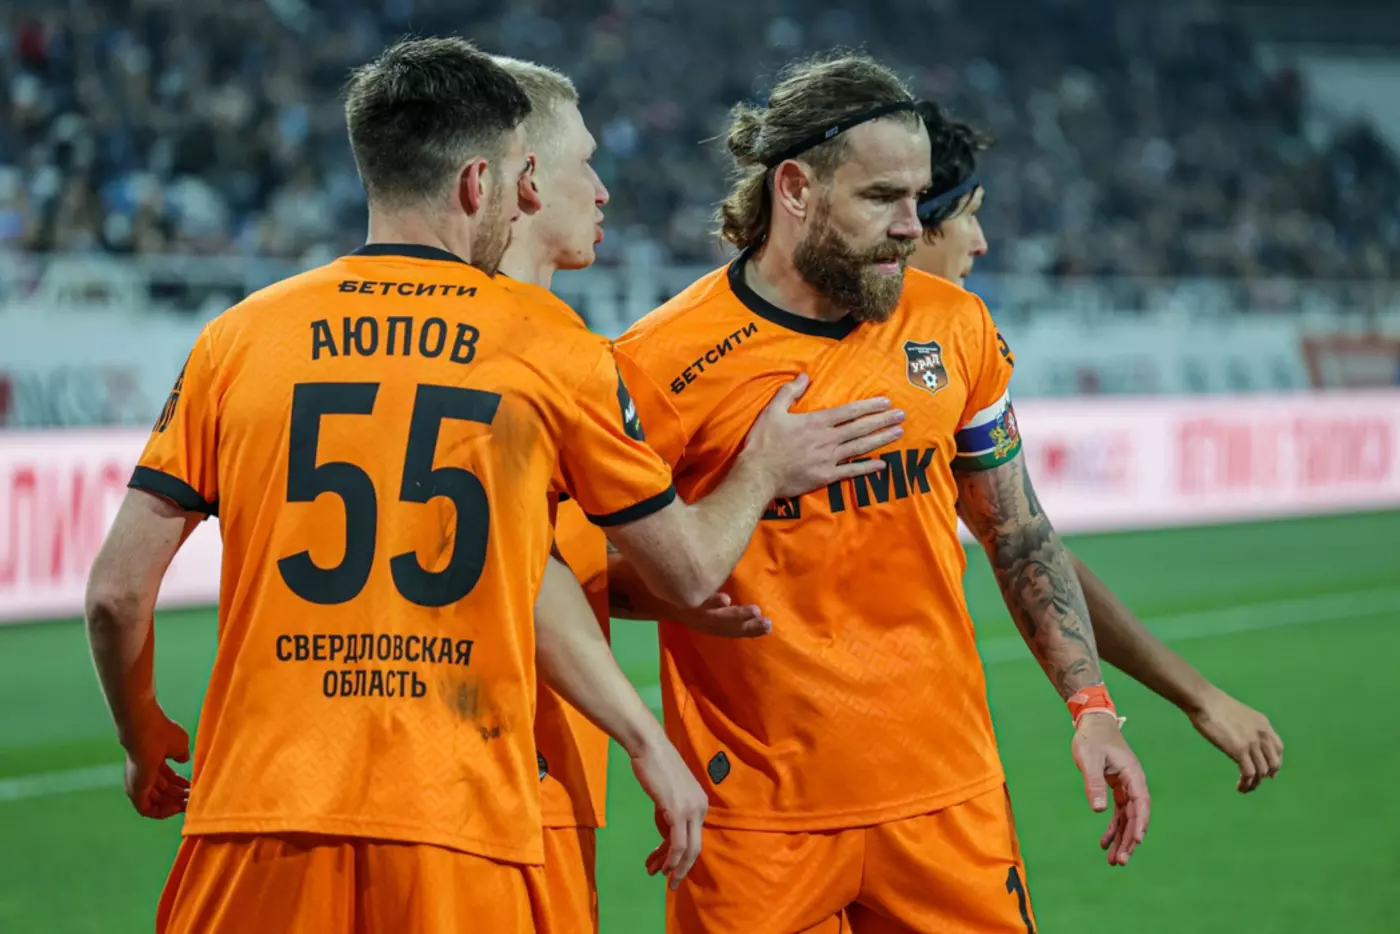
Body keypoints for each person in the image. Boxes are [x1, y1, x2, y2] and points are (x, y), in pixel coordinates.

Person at [82, 38, 904, 934]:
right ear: (483, 183)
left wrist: (143, 734)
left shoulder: (238, 338)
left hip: (252, 815)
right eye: (528, 175)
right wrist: (765, 468)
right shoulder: (551, 349)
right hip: (464, 813)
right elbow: (684, 570)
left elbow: (117, 592)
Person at [609, 52, 1151, 933]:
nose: (910, 225)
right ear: (795, 188)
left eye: (919, 197)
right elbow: (578, 574)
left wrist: (1092, 707)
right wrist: (739, 505)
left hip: (946, 799)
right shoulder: (659, 363)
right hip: (757, 824)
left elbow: (1017, 533)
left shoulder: (955, 326)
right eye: (881, 198)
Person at [911, 106, 1284, 796]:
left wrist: (1188, 696)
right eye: (969, 215)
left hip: (937, 761)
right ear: (914, 218)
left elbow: (1025, 544)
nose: (982, 243)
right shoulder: (749, 348)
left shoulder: (959, 340)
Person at [491, 56, 781, 933]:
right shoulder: (550, 357)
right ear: (527, 178)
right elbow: (527, 576)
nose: (603, 190)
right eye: (586, 163)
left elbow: (528, 562)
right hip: (510, 771)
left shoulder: (459, 341)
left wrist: (648, 594)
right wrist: (766, 467)